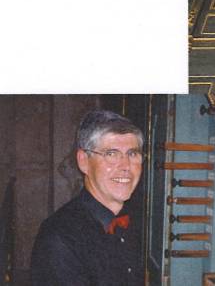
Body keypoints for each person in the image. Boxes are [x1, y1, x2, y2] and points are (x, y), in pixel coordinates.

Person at [31, 110, 145, 285]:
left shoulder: (133, 219)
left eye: (132, 154)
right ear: (83, 161)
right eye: (111, 154)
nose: (125, 166)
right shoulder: (59, 238)